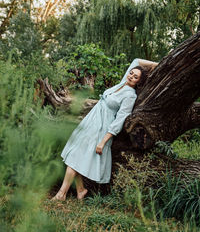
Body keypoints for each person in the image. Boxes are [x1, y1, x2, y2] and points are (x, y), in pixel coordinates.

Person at [51, 58, 158, 201]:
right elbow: (136, 61)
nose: (131, 76)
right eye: (131, 73)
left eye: (135, 77)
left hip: (101, 127)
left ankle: (61, 194)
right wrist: (161, 64)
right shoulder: (122, 84)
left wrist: (103, 141)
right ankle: (81, 190)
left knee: (75, 157)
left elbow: (120, 119)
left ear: (139, 82)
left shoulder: (130, 96)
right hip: (91, 122)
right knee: (77, 155)